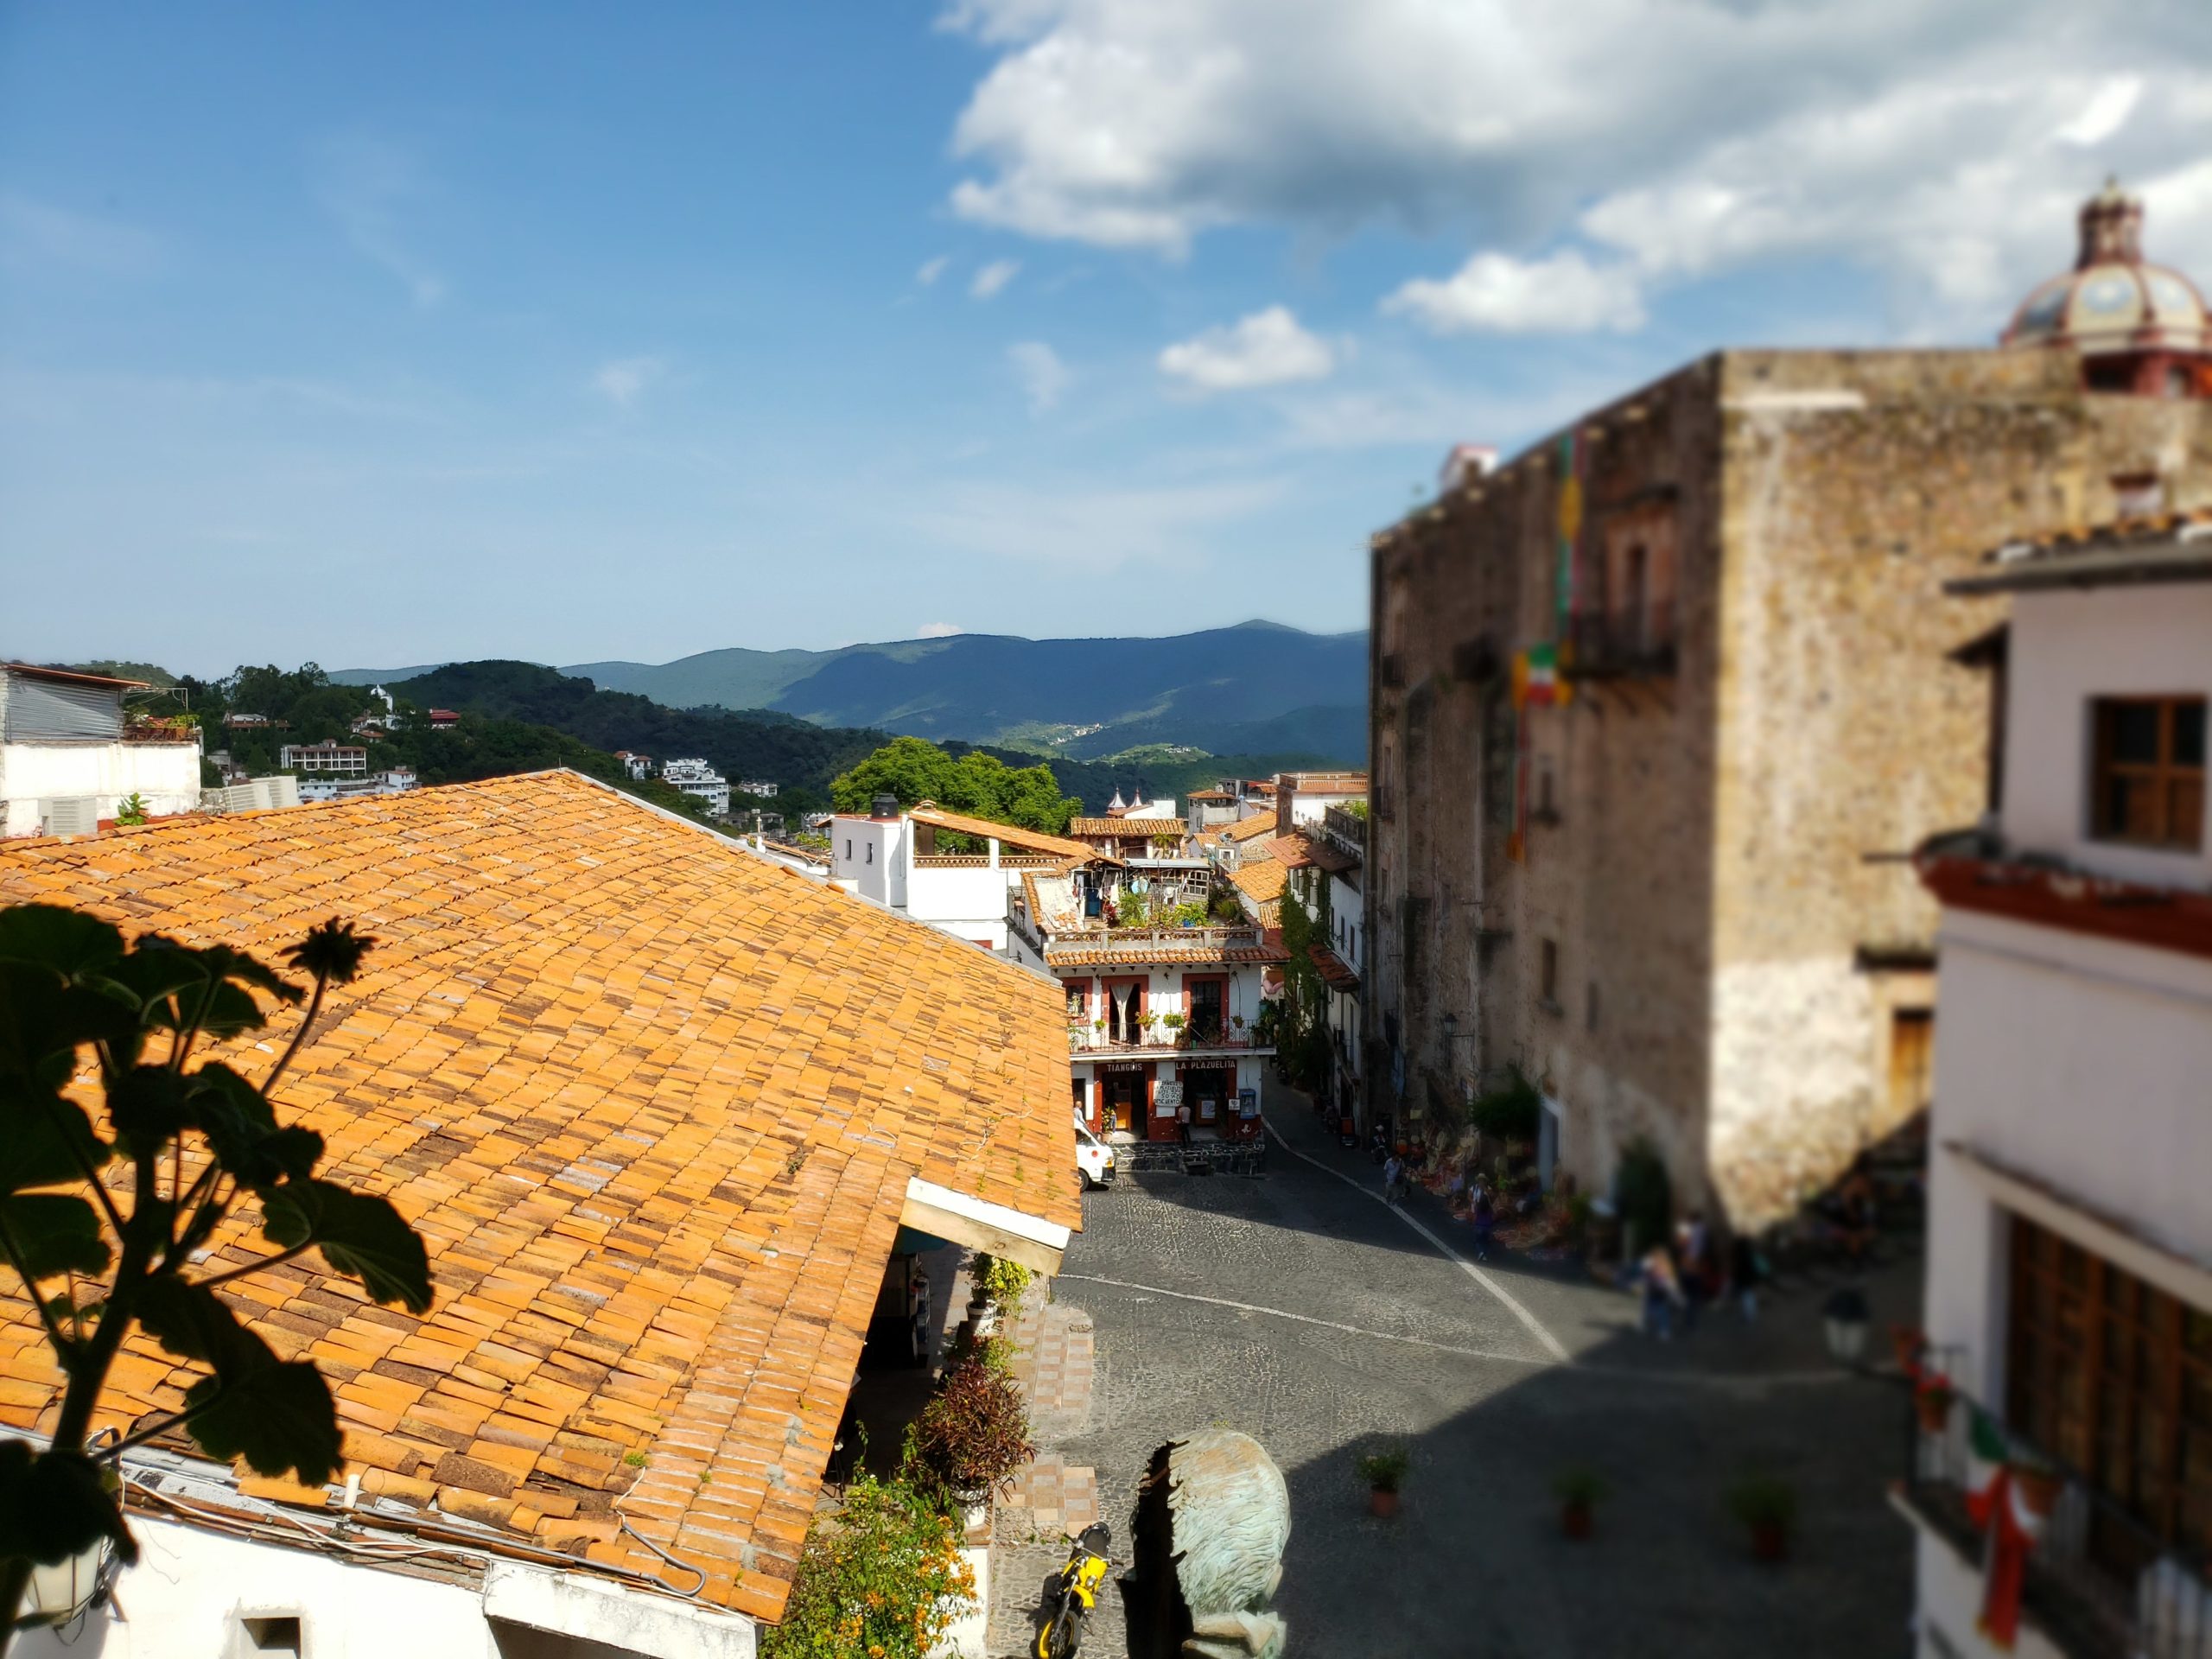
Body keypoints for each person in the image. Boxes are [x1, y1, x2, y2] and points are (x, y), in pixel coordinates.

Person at [1641, 1243, 1683, 1341]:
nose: (1657, 1259)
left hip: (1661, 1295)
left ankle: (1664, 1330)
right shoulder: (1650, 1266)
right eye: (1655, 1257)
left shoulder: (1666, 1268)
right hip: (1652, 1293)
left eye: (1659, 1257)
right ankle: (1646, 1324)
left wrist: (1678, 1298)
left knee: (1663, 1313)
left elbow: (1671, 1285)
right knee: (1648, 1310)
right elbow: (1646, 1277)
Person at [1731, 1231, 1763, 1321]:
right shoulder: (1749, 1253)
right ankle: (1749, 1314)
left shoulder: (1739, 1256)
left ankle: (1748, 1316)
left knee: (1746, 1296)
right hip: (1748, 1278)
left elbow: (1738, 1269)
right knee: (1748, 1296)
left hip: (1743, 1278)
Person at [1472, 1185, 1497, 1262]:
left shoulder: (1478, 1208)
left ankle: (1481, 1251)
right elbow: (1493, 1218)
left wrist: (1473, 1224)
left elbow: (1475, 1218)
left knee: (1478, 1241)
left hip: (1479, 1227)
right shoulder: (1490, 1209)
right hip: (1488, 1228)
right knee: (1487, 1242)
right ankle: (1484, 1255)